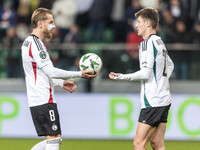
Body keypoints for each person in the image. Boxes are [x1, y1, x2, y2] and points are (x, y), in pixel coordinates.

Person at [21, 8, 97, 150]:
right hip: (43, 98)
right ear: (40, 23)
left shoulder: (28, 42)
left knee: (56, 138)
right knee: (54, 139)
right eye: (50, 22)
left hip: (38, 98)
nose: (54, 26)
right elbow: (50, 70)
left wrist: (61, 83)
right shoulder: (36, 44)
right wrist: (80, 74)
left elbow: (43, 73)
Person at [109, 8, 174, 150]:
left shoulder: (146, 43)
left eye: (138, 22)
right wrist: (161, 82)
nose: (136, 25)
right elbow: (170, 65)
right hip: (164, 98)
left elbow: (145, 74)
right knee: (157, 143)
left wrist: (122, 76)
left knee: (138, 143)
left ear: (148, 23)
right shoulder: (159, 42)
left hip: (153, 101)